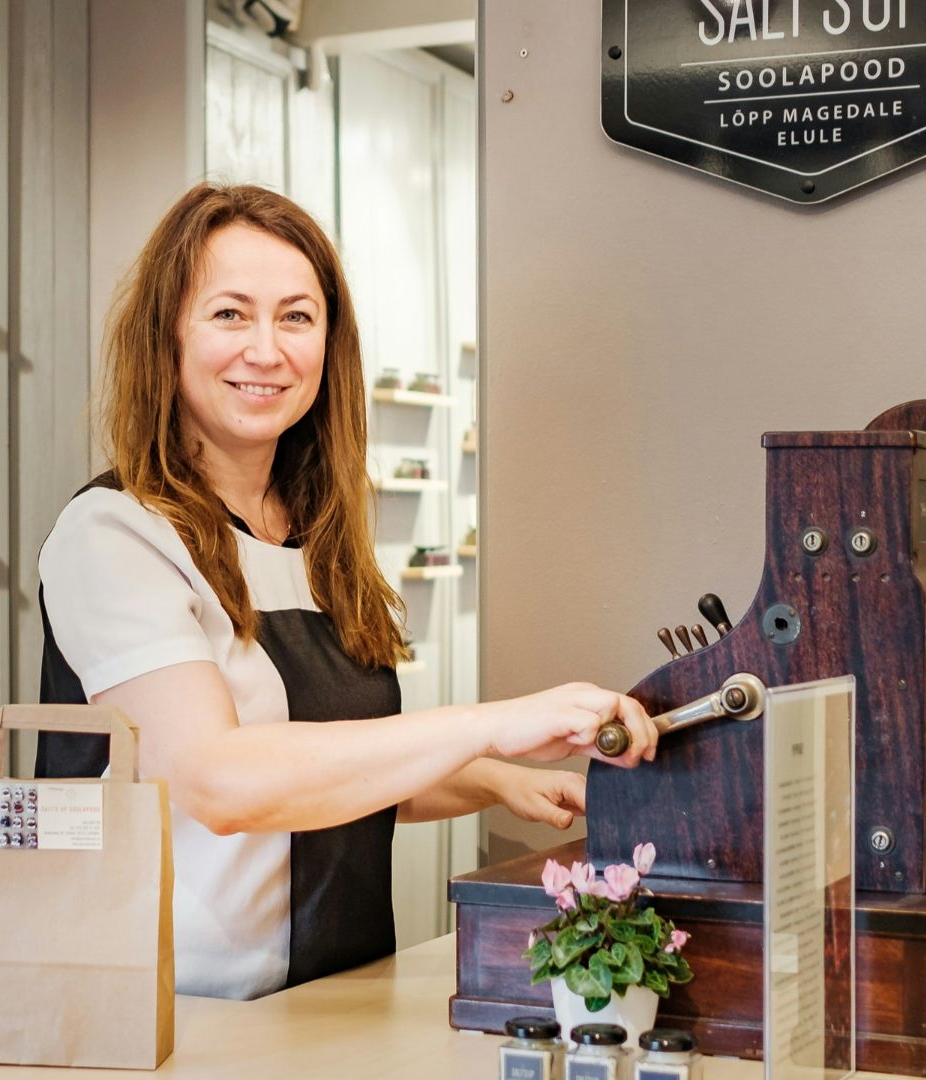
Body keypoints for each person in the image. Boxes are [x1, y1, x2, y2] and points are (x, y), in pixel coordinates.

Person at [34, 182, 658, 1001]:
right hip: (181, 1017)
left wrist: (492, 776)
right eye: (229, 314)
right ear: (167, 337)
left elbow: (335, 760)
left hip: (333, 993)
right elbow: (219, 780)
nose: (267, 349)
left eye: (297, 317)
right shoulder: (114, 533)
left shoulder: (316, 535)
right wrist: (496, 721)